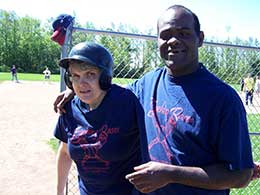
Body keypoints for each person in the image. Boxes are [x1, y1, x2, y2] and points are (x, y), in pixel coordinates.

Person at [53, 5, 255, 195]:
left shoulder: (223, 98)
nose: (173, 41)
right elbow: (104, 91)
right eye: (165, 35)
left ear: (200, 38)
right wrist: (76, 90)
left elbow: (240, 175)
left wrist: (170, 174)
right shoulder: (146, 85)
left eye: (183, 33)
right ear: (157, 40)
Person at [54, 42, 143, 195]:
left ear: (105, 78)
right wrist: (59, 192)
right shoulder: (68, 108)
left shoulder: (127, 102)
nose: (81, 84)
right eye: (75, 76)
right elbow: (64, 152)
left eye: (90, 74)